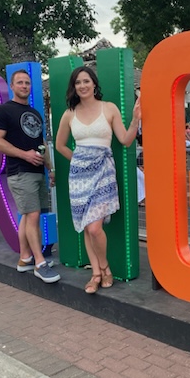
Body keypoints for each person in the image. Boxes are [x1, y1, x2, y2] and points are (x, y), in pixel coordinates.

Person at [55, 66, 141, 294]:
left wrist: (134, 121)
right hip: (79, 176)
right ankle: (96, 274)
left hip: (103, 172)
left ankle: (105, 268)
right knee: (86, 226)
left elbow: (125, 140)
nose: (82, 86)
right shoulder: (69, 113)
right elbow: (60, 145)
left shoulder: (109, 108)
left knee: (94, 228)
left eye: (86, 81)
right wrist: (78, 160)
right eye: (78, 83)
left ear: (94, 83)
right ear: (74, 87)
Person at [0, 69, 60, 284]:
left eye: (27, 83)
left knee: (29, 217)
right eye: (20, 82)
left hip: (37, 172)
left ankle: (24, 258)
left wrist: (50, 168)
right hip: (20, 173)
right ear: (12, 86)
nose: (24, 86)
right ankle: (40, 263)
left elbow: (40, 145)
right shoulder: (2, 111)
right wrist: (24, 155)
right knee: (33, 216)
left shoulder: (35, 113)